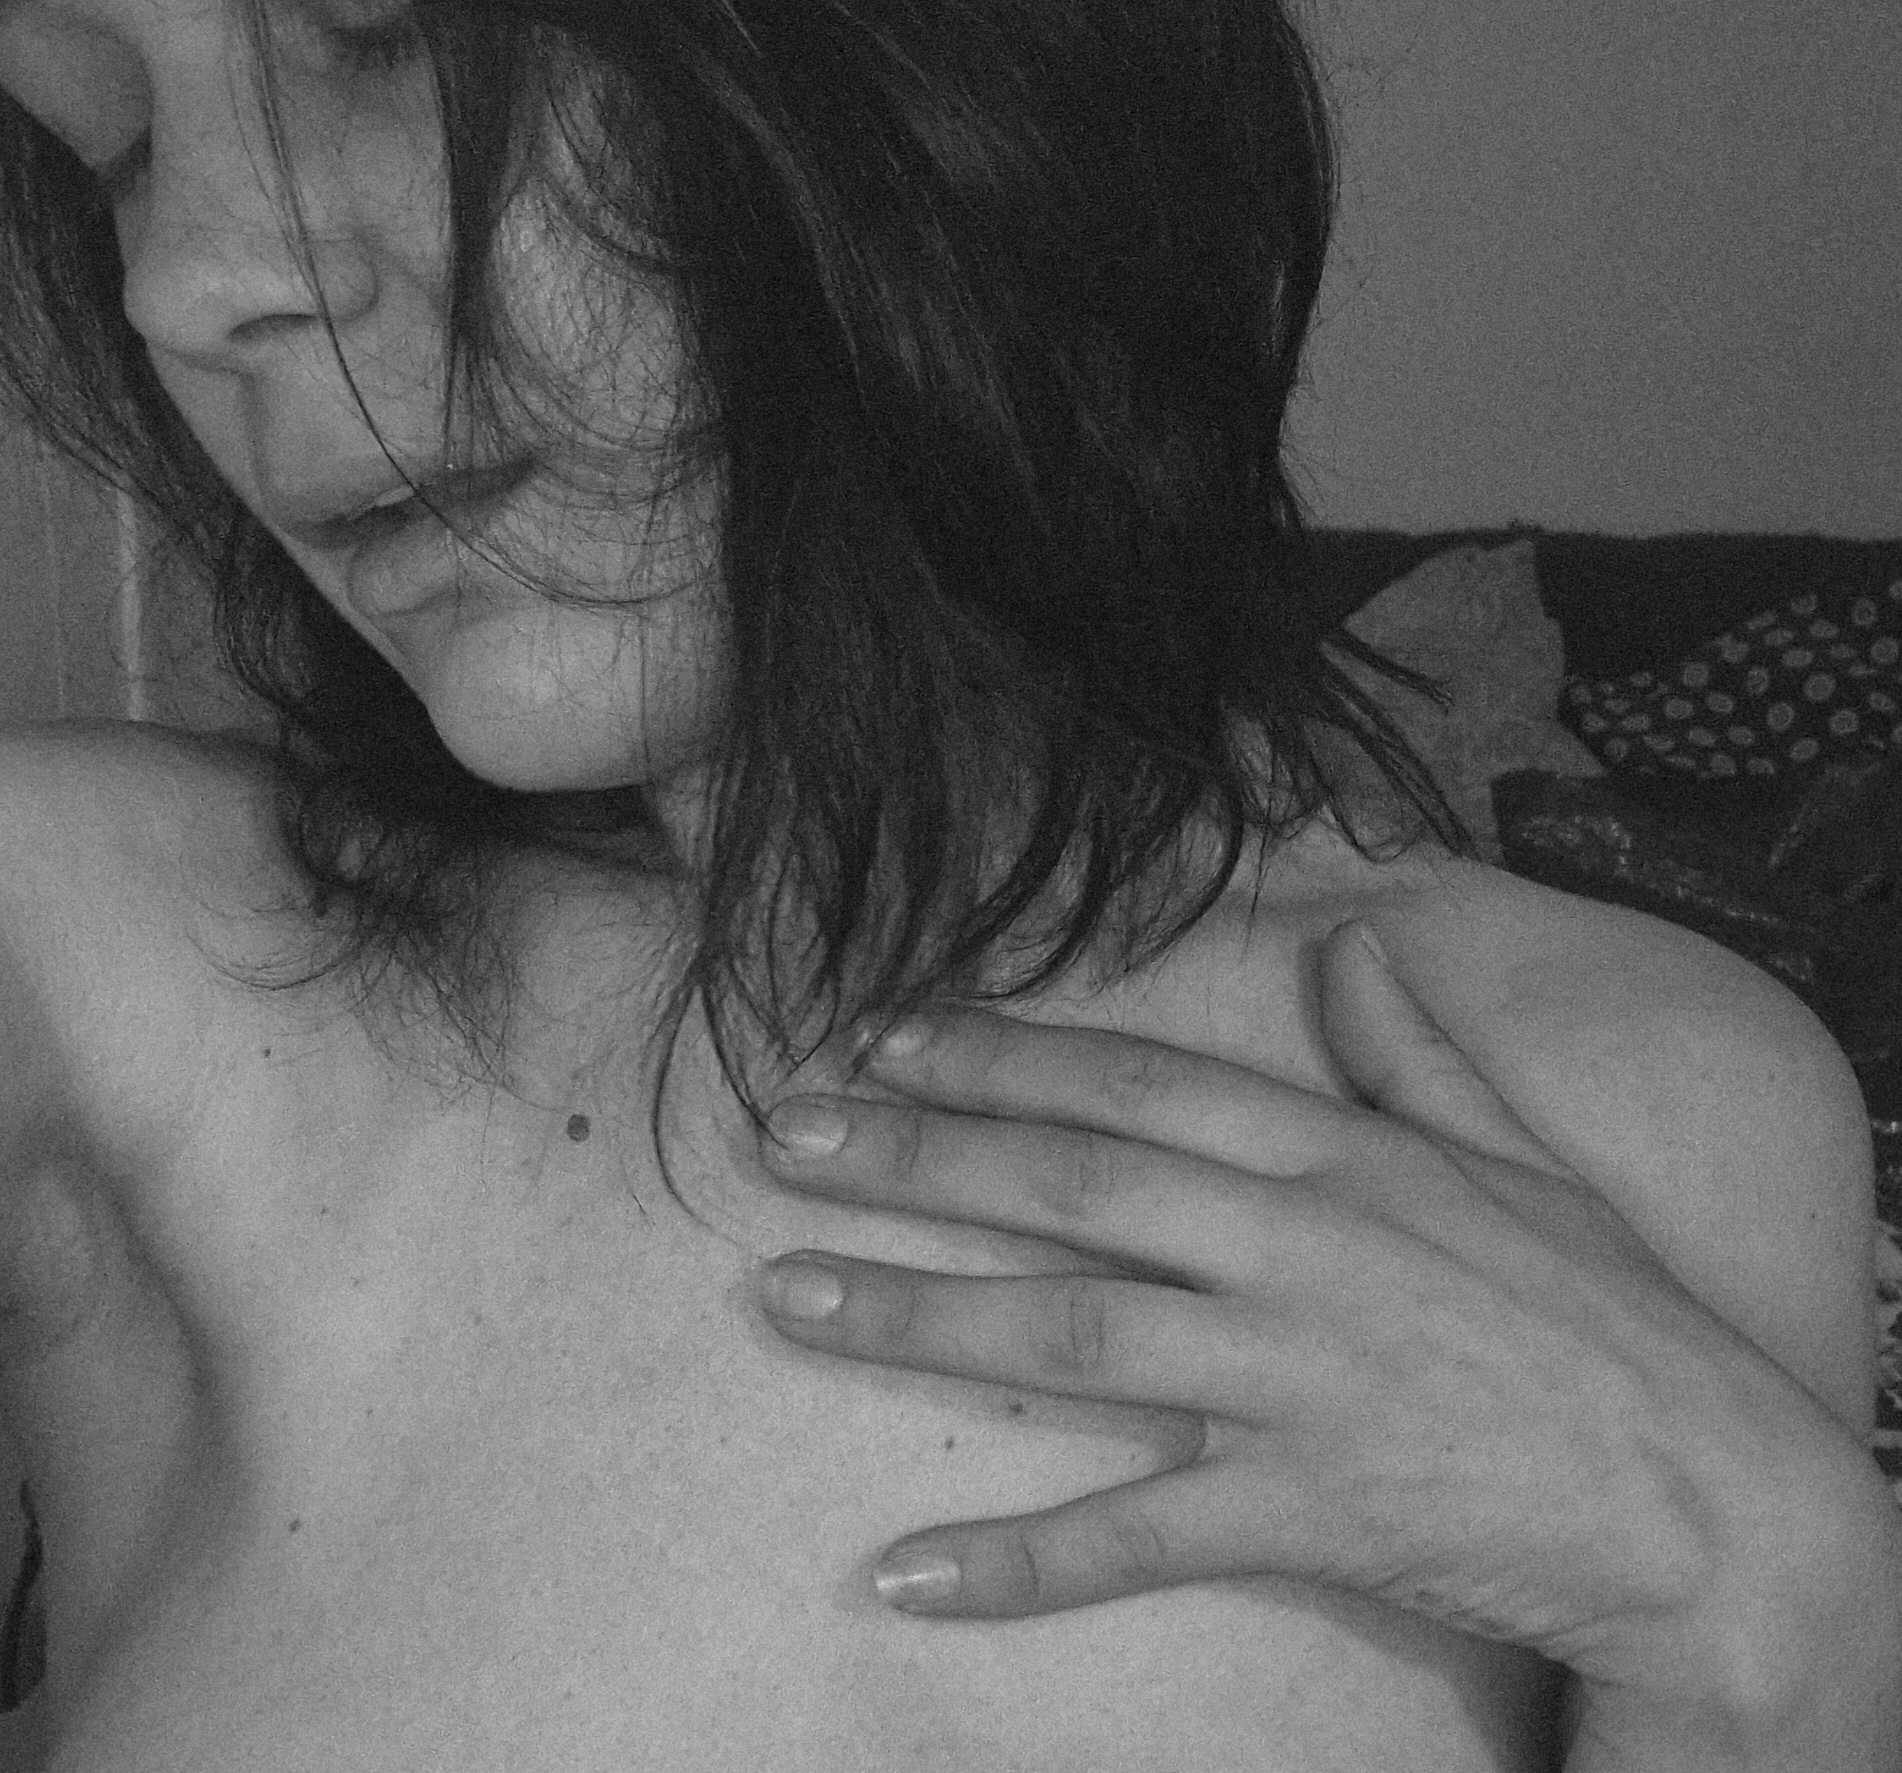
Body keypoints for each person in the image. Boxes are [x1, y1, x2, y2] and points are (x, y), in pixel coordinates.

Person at [0, 3, 1892, 1770]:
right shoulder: (95, 947)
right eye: (116, 142)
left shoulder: (1625, 1105)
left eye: (385, 38)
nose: (191, 281)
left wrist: (1777, 1618)